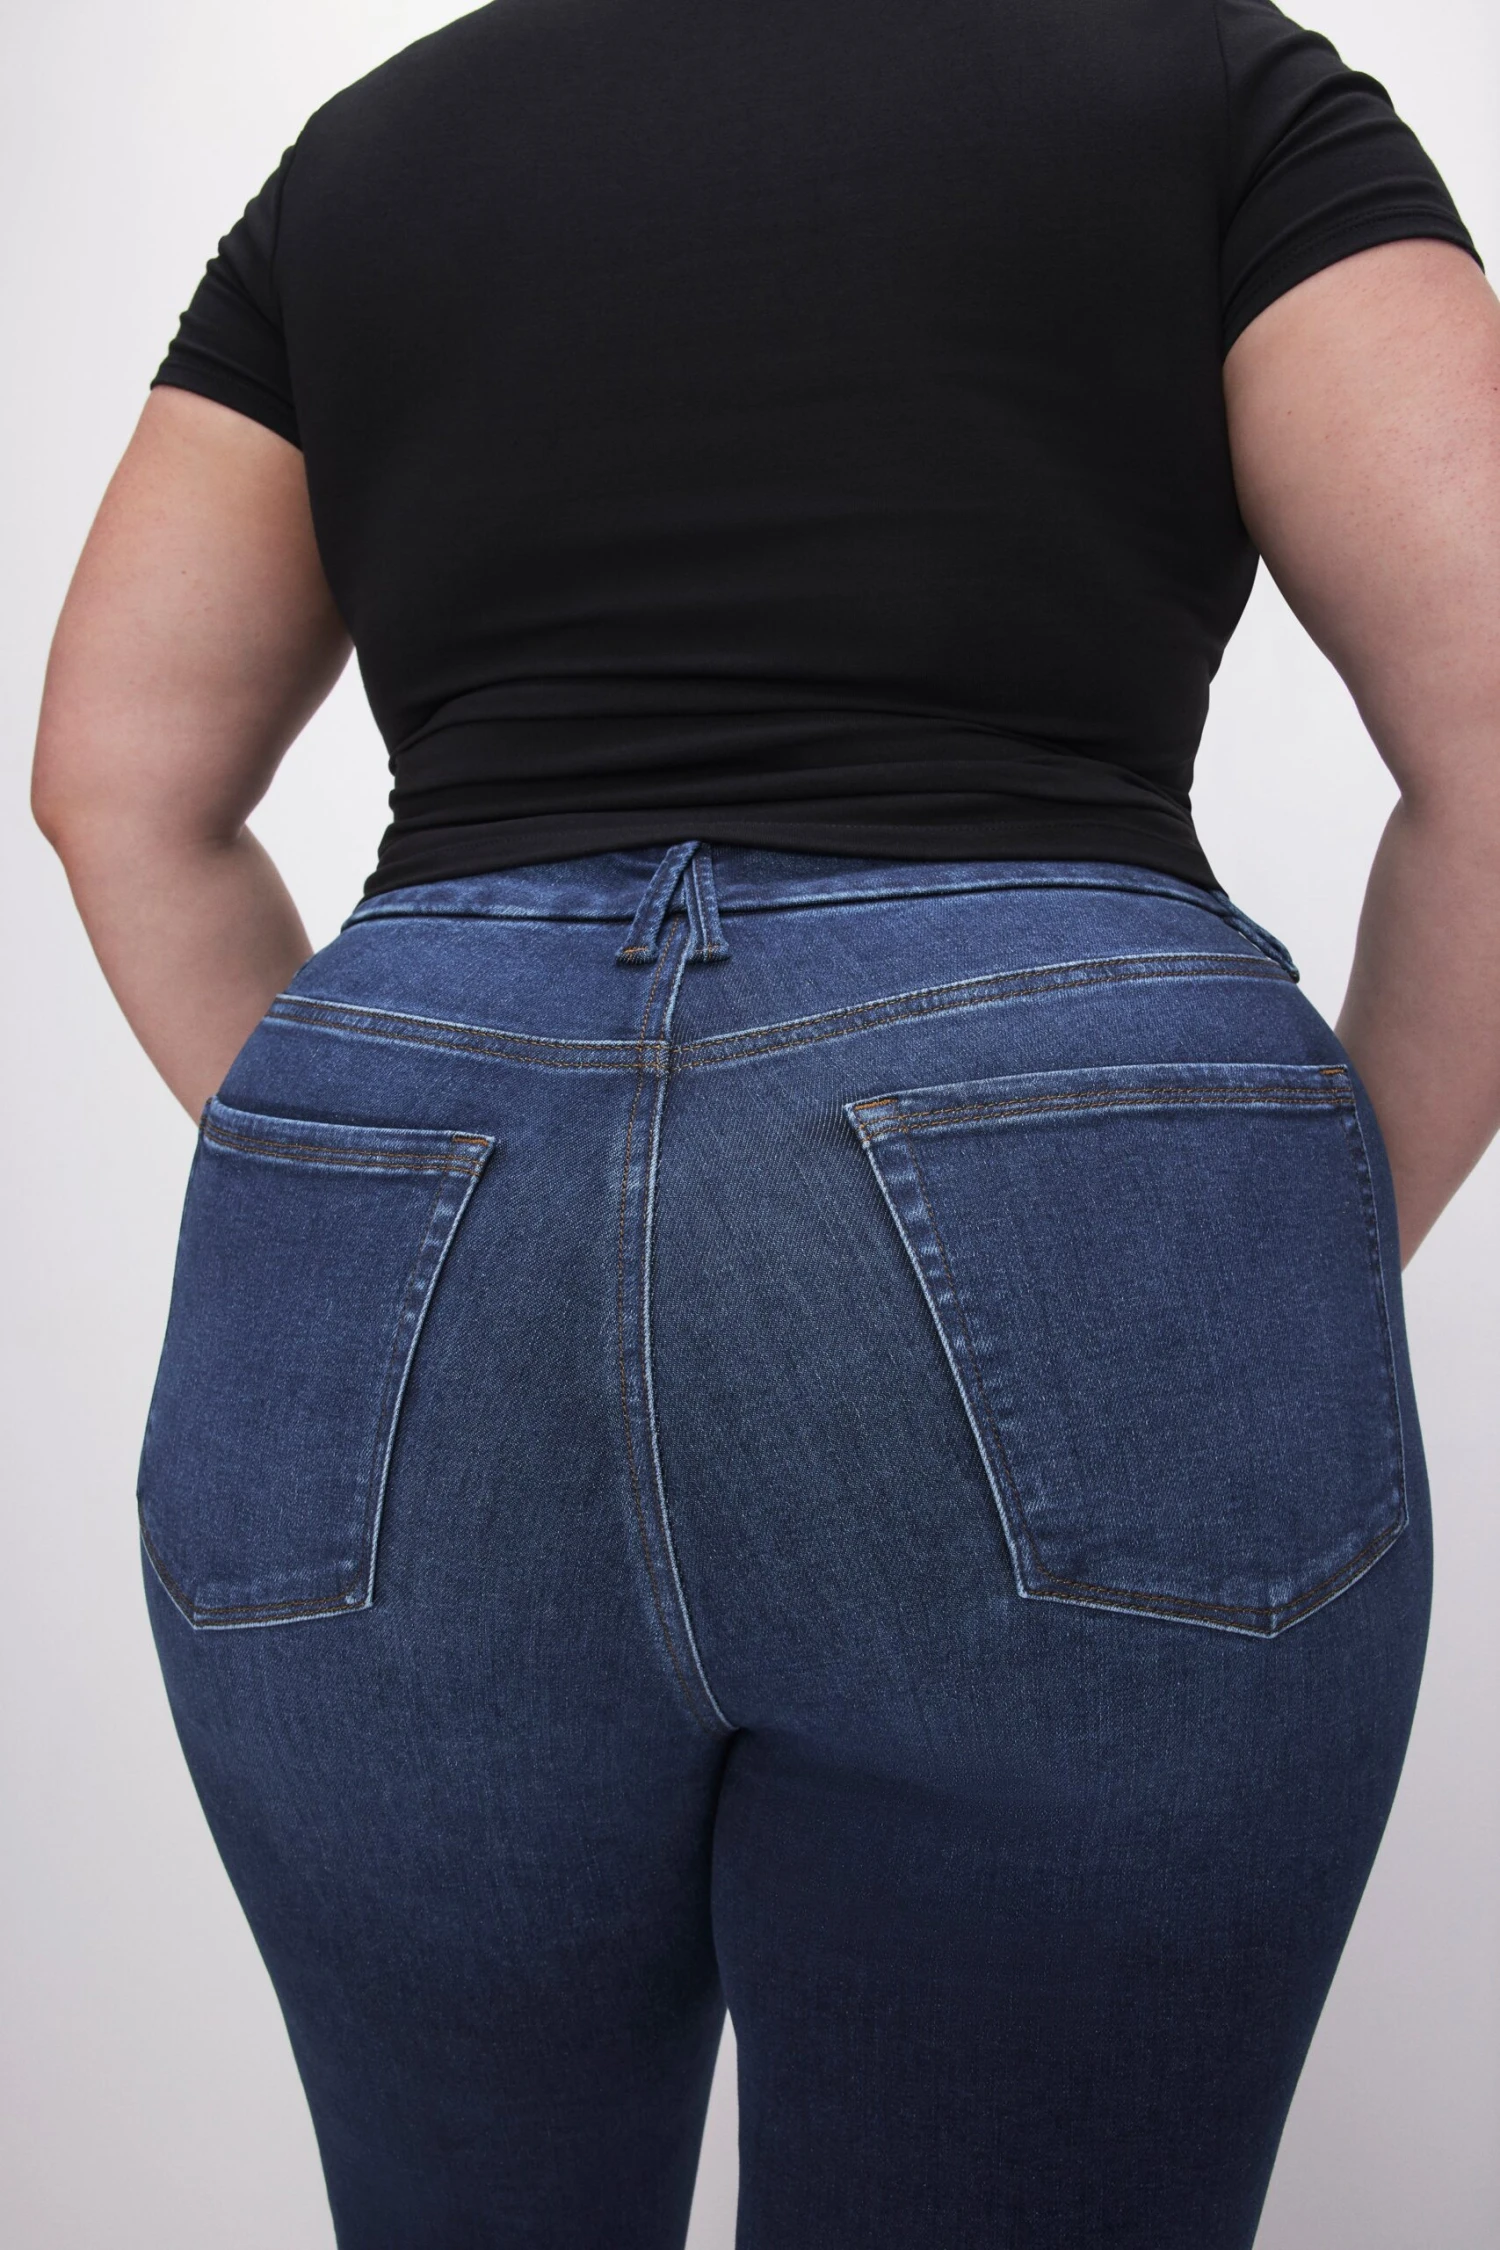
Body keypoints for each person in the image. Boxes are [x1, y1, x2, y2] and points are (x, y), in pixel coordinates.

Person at [28, 0, 1500, 2241]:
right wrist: (1252, 1241)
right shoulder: (1207, 79)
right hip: (1064, 1109)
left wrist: (381, 1195)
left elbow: (113, 783)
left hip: (405, 1154)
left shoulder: (370, 153)